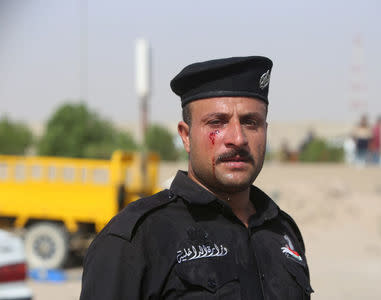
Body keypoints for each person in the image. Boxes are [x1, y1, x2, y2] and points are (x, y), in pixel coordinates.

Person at [80, 56, 313, 299]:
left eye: (250, 122)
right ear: (186, 136)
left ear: (265, 130)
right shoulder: (137, 239)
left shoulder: (282, 231)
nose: (238, 138)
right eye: (217, 123)